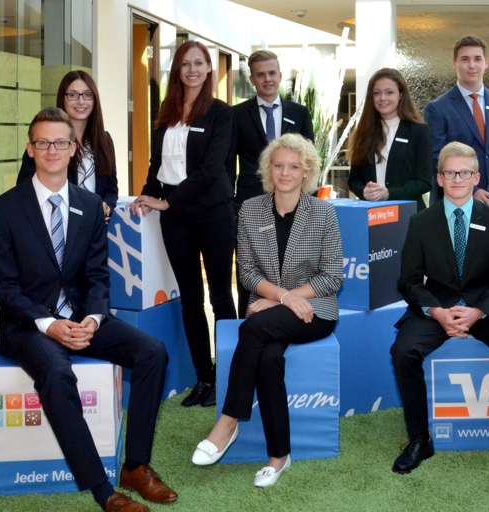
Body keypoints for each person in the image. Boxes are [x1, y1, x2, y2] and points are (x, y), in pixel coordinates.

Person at [0, 107, 176, 512]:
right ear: (30, 149)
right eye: (42, 142)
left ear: (73, 148)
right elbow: (3, 285)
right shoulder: (3, 209)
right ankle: (103, 492)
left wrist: (92, 318)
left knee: (152, 352)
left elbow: (96, 277)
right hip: (28, 324)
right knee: (57, 373)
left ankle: (135, 467)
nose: (51, 150)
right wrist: (49, 324)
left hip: (79, 317)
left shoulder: (90, 206)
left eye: (60, 142)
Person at [190, 134, 343, 488]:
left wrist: (284, 299)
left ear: (306, 172)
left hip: (314, 310)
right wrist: (282, 297)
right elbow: (246, 272)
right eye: (278, 166)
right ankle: (279, 457)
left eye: (294, 166)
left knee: (252, 329)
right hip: (270, 306)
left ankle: (228, 421)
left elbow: (332, 276)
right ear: (268, 170)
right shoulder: (250, 209)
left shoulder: (323, 212)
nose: (285, 173)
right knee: (269, 357)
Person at [389, 141, 489, 482]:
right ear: (439, 178)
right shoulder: (421, 222)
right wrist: (437, 312)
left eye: (464, 173)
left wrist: (477, 312)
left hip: (484, 306)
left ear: (476, 178)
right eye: (450, 173)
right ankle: (420, 439)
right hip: (437, 306)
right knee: (402, 351)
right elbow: (408, 282)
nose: (457, 179)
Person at [131, 40, 236, 408]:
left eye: (198, 63)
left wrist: (168, 201)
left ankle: (228, 377)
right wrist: (146, 195)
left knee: (220, 296)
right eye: (185, 64)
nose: (192, 70)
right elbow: (157, 165)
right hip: (176, 218)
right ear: (177, 70)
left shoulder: (220, 113)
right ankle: (204, 378)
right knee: (191, 298)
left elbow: (210, 169)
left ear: (208, 69)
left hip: (213, 211)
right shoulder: (167, 111)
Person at [230, 49, 315, 318]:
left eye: (271, 73)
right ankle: (248, 324)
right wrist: (233, 205)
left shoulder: (299, 112)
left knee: (292, 268)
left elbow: (310, 160)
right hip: (250, 206)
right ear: (252, 80)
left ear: (280, 75)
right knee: (250, 272)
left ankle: (291, 318)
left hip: (292, 206)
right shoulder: (237, 114)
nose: (267, 79)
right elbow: (228, 164)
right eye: (260, 75)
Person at [424, 35, 489, 206]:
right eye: (465, 59)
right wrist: (472, 190)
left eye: (477, 59)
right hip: (454, 203)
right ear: (454, 63)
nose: (472, 65)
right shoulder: (438, 108)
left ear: (486, 63)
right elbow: (436, 159)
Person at [18, 70, 119, 222]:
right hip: (57, 222)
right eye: (72, 95)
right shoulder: (45, 143)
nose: (81, 101)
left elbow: (111, 189)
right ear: (62, 98)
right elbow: (25, 188)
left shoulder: (104, 141)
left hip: (94, 224)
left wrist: (105, 206)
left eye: (87, 95)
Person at [348, 68, 432, 211]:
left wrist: (389, 193)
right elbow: (354, 179)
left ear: (401, 95)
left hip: (408, 214)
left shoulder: (418, 131)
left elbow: (424, 181)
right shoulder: (364, 132)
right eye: (376, 93)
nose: (382, 98)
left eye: (389, 92)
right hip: (372, 213)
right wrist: (363, 191)